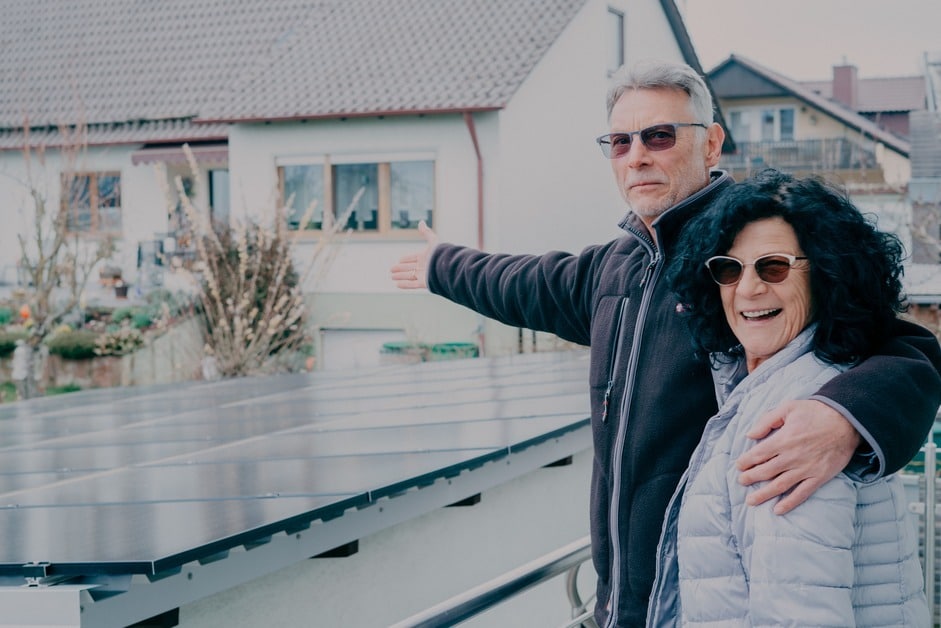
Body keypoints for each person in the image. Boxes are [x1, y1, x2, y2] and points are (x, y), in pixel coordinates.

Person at [390, 59, 941, 626]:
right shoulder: (614, 269)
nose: (638, 156)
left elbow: (905, 347)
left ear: (711, 145)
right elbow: (520, 283)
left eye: (659, 135)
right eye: (620, 142)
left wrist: (842, 416)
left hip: (704, 601)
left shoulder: (746, 246)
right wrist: (441, 264)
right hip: (624, 604)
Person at [648, 169, 929, 626]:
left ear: (827, 276)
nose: (749, 288)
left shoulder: (792, 422)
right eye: (728, 268)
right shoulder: (806, 389)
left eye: (773, 266)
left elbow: (800, 613)